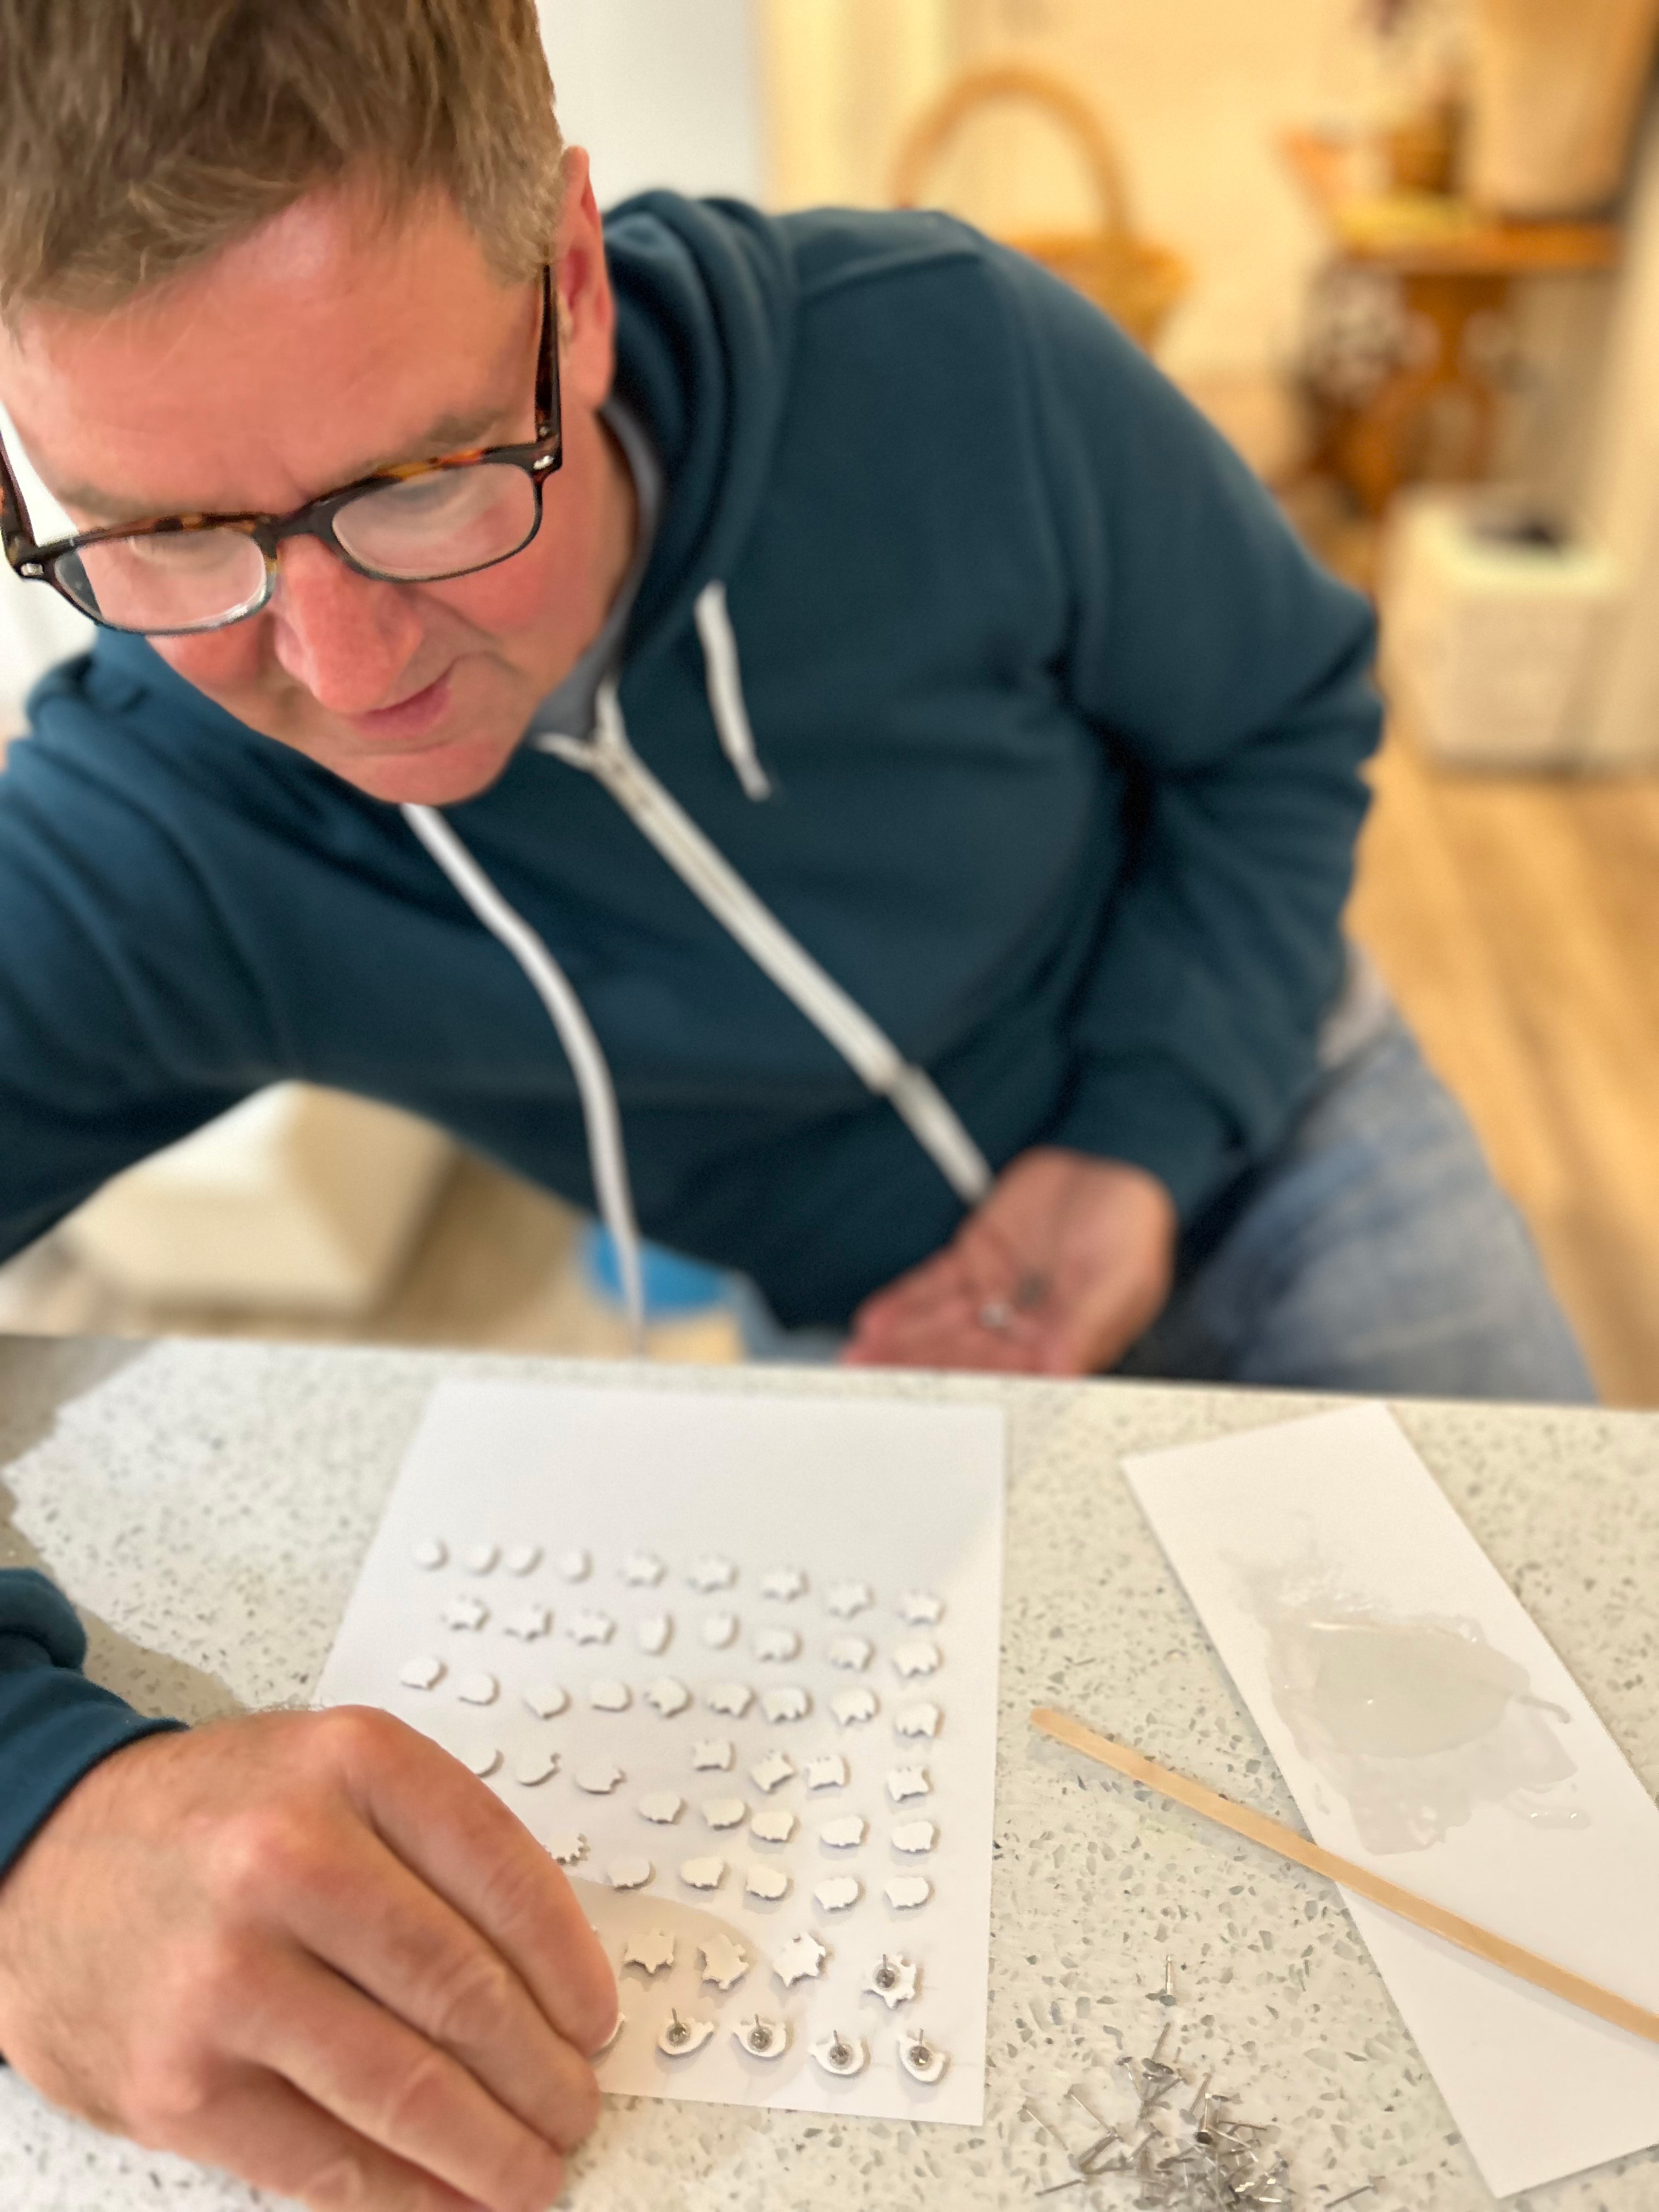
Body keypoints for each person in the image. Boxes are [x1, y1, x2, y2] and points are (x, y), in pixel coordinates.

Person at [0, 2, 1591, 2206]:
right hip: (886, 1333)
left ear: (571, 271)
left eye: (432, 478)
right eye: (165, 536)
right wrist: (29, 1815)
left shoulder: (955, 365)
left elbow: (1283, 716)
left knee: (1562, 1831)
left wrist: (1138, 1143)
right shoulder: (145, 837)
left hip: (1275, 1110)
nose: (351, 681)